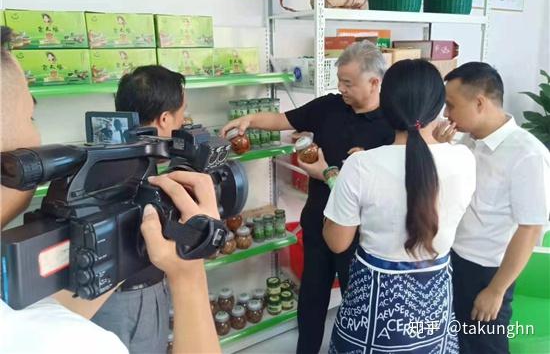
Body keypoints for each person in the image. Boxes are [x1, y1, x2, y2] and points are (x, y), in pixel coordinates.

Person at [0, 27, 220, 354]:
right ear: (163, 119)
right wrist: (189, 277)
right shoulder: (68, 343)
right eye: (31, 115)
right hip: (136, 300)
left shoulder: (97, 168)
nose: (37, 137)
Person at [221, 41, 395, 353]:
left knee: (357, 303)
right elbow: (283, 120)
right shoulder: (329, 106)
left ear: (374, 82)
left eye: (348, 83)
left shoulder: (391, 126)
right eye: (339, 80)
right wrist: (249, 120)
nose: (340, 88)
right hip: (318, 220)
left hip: (359, 233)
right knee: (312, 296)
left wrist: (327, 173)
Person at [306, 59, 475, 353]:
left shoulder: (361, 165)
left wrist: (331, 176)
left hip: (373, 305)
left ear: (385, 102)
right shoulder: (463, 158)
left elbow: (337, 242)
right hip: (434, 297)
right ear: (439, 107)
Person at [433, 62, 550, 354]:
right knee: (455, 343)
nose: (446, 114)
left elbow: (531, 227)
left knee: (483, 347)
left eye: (451, 105)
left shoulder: (527, 155)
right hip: (454, 260)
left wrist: (496, 290)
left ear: (480, 102)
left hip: (486, 272)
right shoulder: (467, 142)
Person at [90, 65, 186, 353]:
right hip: (135, 299)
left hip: (94, 297)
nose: (184, 122)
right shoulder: (148, 175)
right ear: (165, 118)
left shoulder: (100, 155)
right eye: (182, 114)